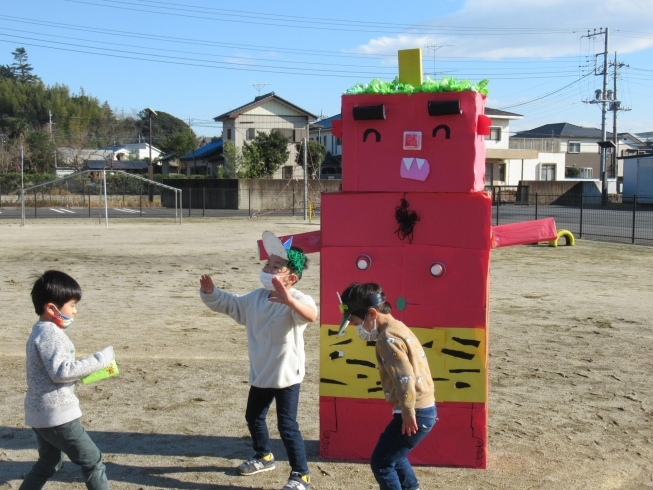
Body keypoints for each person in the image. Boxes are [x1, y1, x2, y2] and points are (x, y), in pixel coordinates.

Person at [199, 231, 317, 490]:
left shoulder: (297, 299)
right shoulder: (255, 298)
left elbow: (311, 315)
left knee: (287, 425)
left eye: (276, 266)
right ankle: (264, 456)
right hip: (261, 371)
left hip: (286, 374)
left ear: (291, 278)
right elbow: (232, 304)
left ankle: (301, 474)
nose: (268, 269)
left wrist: (289, 301)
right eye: (267, 264)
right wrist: (211, 292)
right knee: (253, 417)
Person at [21, 270, 115, 490]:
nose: (75, 311)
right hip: (57, 414)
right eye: (72, 305)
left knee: (49, 462)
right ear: (52, 308)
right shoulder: (51, 334)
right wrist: (101, 359)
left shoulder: (39, 331)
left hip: (39, 413)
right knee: (93, 461)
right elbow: (62, 372)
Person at [338, 282, 436, 490]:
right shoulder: (398, 327)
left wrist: (409, 412)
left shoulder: (387, 339)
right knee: (394, 456)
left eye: (357, 323)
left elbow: (404, 377)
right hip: (421, 409)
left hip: (414, 410)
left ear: (372, 313)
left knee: (381, 462)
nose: (359, 329)